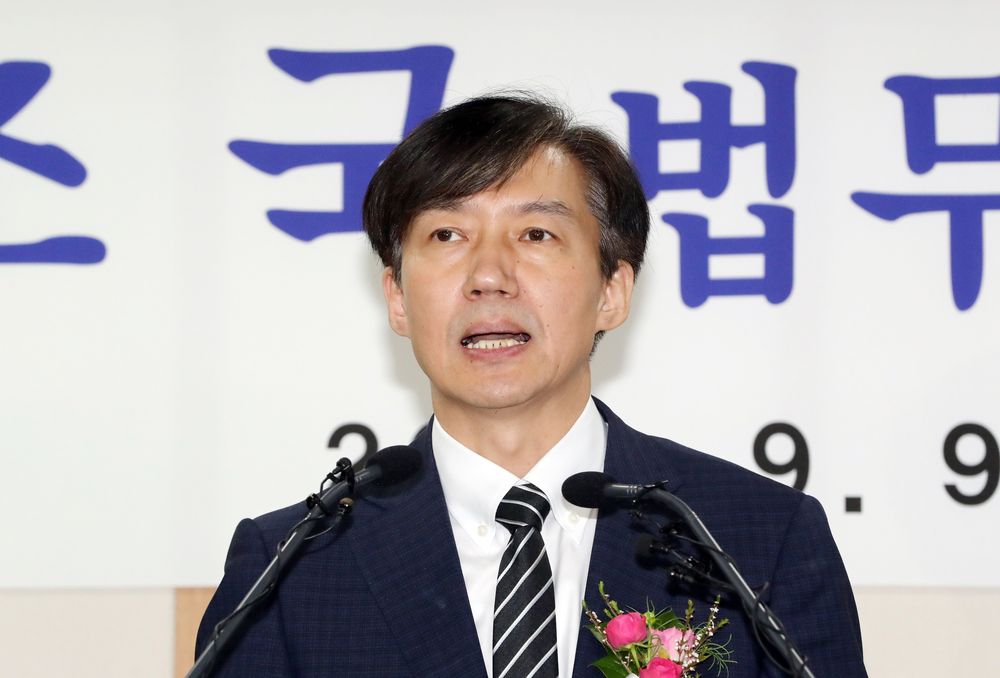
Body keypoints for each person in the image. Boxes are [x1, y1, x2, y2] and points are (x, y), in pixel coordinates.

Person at [197, 94, 867, 677]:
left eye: (536, 233)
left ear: (612, 290)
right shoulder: (291, 567)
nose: (489, 275)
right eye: (447, 234)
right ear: (397, 298)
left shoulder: (757, 539)